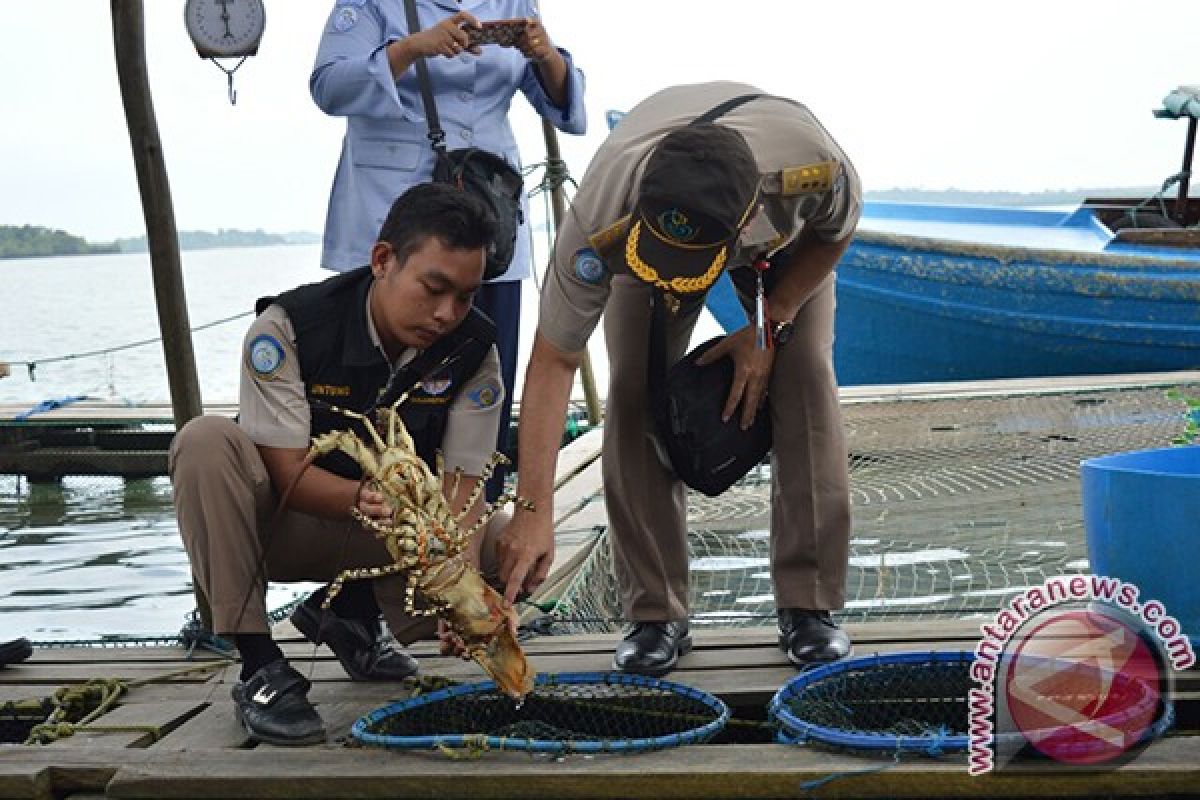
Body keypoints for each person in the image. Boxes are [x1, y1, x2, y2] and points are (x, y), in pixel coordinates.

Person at [495, 81, 861, 676]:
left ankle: (811, 606)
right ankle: (655, 612)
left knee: (806, 378)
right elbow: (553, 359)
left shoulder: (809, 167)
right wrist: (533, 511)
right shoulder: (602, 217)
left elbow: (837, 230)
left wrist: (771, 324)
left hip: (783, 250)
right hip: (639, 240)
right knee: (636, 391)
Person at [170, 184, 506, 746]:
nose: (447, 313)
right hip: (281, 529)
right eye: (434, 288)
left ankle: (351, 617)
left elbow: (463, 487)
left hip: (395, 537)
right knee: (205, 442)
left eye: (466, 297)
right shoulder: (289, 328)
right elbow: (286, 473)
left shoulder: (474, 350)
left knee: (504, 543)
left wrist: (462, 590)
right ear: (382, 261)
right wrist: (357, 499)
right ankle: (259, 666)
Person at [310, 0, 587, 499]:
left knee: (487, 370)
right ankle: (376, 511)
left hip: (488, 215)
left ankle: (479, 510)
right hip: (396, 216)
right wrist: (412, 49)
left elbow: (562, 103)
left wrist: (546, 55)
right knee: (385, 380)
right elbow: (329, 86)